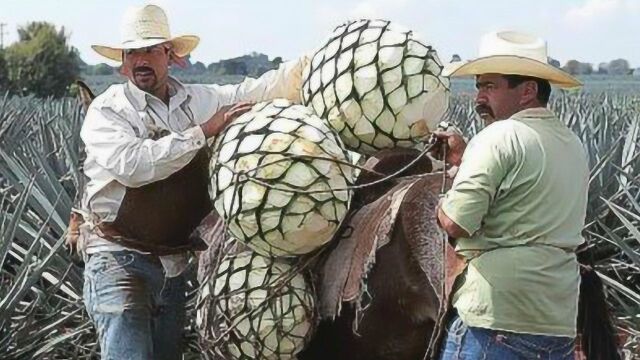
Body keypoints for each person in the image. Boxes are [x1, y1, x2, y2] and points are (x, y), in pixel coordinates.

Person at [78, 4, 308, 359]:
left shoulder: (198, 101)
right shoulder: (108, 111)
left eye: (152, 50)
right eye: (134, 51)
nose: (142, 59)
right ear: (122, 62)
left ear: (171, 56)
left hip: (173, 265)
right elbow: (132, 165)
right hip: (117, 261)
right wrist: (201, 133)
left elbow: (258, 92)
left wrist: (311, 64)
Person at [434, 30, 587, 359]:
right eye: (478, 86)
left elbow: (454, 223)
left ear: (528, 90)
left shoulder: (498, 136)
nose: (478, 98)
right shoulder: (572, 143)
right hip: (555, 322)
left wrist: (440, 197)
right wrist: (465, 161)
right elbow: (525, 193)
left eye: (490, 86)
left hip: (495, 320)